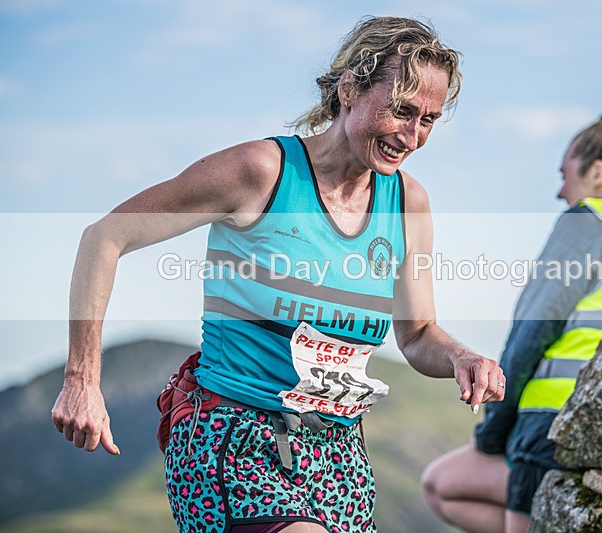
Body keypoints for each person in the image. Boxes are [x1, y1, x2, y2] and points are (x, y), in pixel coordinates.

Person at [50, 16, 504, 533]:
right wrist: (82, 379)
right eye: (402, 110)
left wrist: (463, 357)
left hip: (340, 458)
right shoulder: (263, 171)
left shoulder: (408, 204)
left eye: (428, 119)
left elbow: (418, 334)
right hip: (234, 441)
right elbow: (104, 238)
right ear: (350, 89)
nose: (413, 136)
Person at [422, 107, 602, 533]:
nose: (561, 191)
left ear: (598, 172)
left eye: (565, 174)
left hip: (551, 424)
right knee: (441, 483)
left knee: (440, 484)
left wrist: (493, 431)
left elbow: (532, 332)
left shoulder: (589, 220)